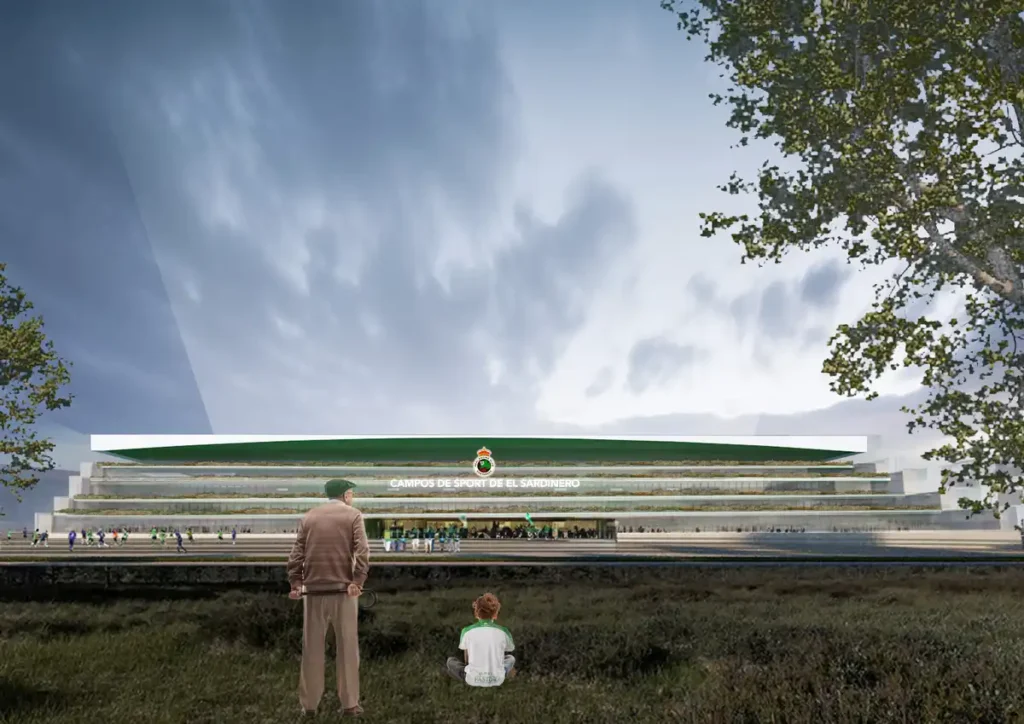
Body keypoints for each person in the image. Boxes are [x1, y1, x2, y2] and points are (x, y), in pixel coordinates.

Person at [287, 479, 370, 718]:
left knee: (312, 650)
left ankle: (309, 706)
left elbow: (297, 553)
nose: (352, 497)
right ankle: (350, 705)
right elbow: (362, 551)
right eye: (351, 493)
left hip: (312, 592)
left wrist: (296, 582)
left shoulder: (309, 517)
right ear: (345, 495)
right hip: (344, 592)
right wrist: (358, 581)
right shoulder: (354, 516)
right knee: (347, 649)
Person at [446, 593, 516, 687]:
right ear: (495, 613)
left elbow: (467, 658)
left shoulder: (466, 631)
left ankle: (461, 679)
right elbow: (504, 652)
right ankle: (504, 676)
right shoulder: (504, 631)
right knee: (511, 658)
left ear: (476, 612)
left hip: (473, 679)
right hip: (497, 679)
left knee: (450, 662)